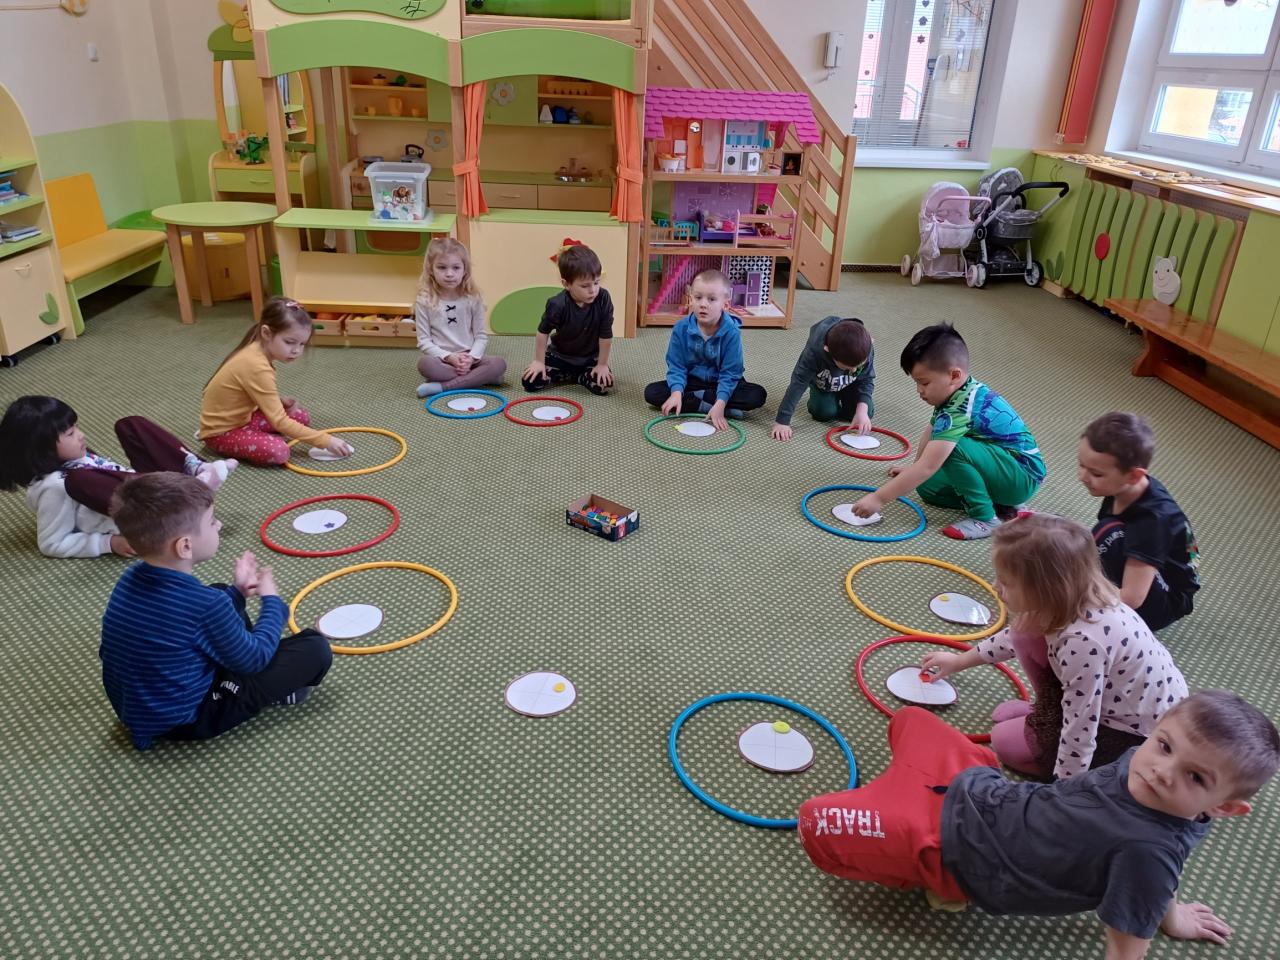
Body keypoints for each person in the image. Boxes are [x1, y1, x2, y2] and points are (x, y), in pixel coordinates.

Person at [798, 690, 1279, 959]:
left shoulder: (1147, 852)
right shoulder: (1155, 780)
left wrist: (1169, 919)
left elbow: (1128, 941)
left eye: (1195, 777)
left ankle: (937, 882)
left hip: (957, 850)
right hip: (980, 790)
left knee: (817, 823)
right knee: (911, 718)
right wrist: (1169, 912)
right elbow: (1165, 869)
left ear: (1225, 807)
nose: (1161, 771)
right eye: (1165, 745)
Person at [921, 514, 1188, 781]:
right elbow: (1012, 639)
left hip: (1135, 733)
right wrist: (958, 661)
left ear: (1045, 588)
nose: (994, 586)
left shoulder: (1083, 641)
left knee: (1004, 741)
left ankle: (1055, 730)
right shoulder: (1071, 598)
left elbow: (1081, 724)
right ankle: (1046, 713)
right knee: (1025, 631)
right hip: (1118, 700)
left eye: (1005, 582)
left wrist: (1065, 789)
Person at [99, 473, 332, 750]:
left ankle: (239, 648)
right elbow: (255, 659)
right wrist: (272, 602)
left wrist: (237, 593)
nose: (218, 524)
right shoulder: (205, 606)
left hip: (138, 708)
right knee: (315, 649)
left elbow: (192, 618)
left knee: (222, 593)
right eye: (211, 521)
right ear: (185, 546)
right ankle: (274, 693)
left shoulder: (130, 578)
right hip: (188, 718)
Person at [852, 323, 1043, 540]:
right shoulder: (957, 393)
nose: (919, 390)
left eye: (924, 383)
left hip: (1022, 476)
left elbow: (929, 465)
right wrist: (914, 468)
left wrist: (878, 498)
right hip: (1003, 469)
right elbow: (931, 431)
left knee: (951, 450)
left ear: (954, 375)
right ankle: (1002, 505)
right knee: (927, 487)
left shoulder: (962, 407)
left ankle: (985, 518)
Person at [0, 395, 236, 559]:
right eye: (71, 433)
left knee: (130, 425)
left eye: (76, 428)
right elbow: (51, 543)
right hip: (150, 515)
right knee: (79, 480)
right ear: (42, 449)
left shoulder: (74, 459)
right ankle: (184, 501)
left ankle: (195, 471)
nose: (81, 435)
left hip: (150, 492)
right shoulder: (54, 486)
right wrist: (107, 543)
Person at [1080, 412, 1199, 632]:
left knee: (1107, 533)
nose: (1083, 477)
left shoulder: (1152, 521)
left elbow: (1132, 598)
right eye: (1081, 465)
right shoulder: (1123, 487)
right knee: (1081, 537)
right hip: (1142, 572)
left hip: (1165, 601)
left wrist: (1074, 594)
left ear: (1134, 476)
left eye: (1096, 473)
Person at [199, 297, 354, 466]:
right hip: (221, 432)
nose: (297, 351)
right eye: (289, 342)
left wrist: (278, 401)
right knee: (279, 451)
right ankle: (239, 440)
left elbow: (245, 393)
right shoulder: (256, 365)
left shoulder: (257, 349)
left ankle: (255, 435)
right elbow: (279, 421)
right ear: (266, 333)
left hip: (244, 417)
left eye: (302, 344)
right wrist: (326, 441)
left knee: (299, 416)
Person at [642, 269, 767, 431]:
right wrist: (677, 392)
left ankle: (706, 403)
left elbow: (730, 372)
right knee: (652, 392)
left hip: (720, 382)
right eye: (698, 297)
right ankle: (709, 406)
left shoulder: (731, 332)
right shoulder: (680, 328)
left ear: (725, 304)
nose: (703, 304)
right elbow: (677, 366)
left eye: (712, 299)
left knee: (757, 395)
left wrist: (721, 401)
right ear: (690, 299)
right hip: (691, 381)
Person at [413, 237, 507, 398]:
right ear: (431, 269)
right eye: (441, 267)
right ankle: (480, 378)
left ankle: (443, 387)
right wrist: (449, 357)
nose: (449, 274)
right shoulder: (424, 300)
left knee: (498, 364)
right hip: (442, 359)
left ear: (465, 270)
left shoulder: (473, 298)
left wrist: (471, 358)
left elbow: (481, 336)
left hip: (470, 358)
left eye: (456, 268)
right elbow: (424, 341)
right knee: (425, 365)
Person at [521, 243, 614, 396]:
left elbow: (606, 335)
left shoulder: (603, 298)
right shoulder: (557, 304)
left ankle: (577, 376)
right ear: (566, 284)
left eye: (596, 282)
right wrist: (539, 362)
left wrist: (602, 364)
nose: (593, 290)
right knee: (531, 382)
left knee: (605, 385)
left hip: (589, 359)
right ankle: (572, 375)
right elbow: (542, 332)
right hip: (560, 357)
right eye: (585, 286)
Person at [770, 316, 875, 441]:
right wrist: (782, 421)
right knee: (823, 413)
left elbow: (866, 379)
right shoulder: (814, 353)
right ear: (827, 350)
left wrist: (861, 411)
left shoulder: (865, 347)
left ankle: (846, 401)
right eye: (846, 367)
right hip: (824, 384)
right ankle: (828, 399)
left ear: (871, 341)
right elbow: (798, 383)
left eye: (858, 366)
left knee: (866, 413)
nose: (853, 371)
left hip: (852, 385)